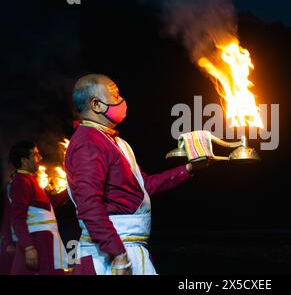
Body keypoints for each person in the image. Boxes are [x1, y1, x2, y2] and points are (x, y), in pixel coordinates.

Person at [65, 74, 202, 275]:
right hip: (108, 257)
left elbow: (143, 187)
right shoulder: (88, 142)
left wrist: (189, 169)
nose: (121, 100)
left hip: (129, 249)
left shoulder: (116, 142)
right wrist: (117, 254)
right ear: (96, 104)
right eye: (115, 94)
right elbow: (88, 205)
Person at [8, 141, 68, 275]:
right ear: (24, 160)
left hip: (45, 241)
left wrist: (70, 187)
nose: (40, 158)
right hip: (37, 241)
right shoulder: (21, 182)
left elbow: (48, 205)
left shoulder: (30, 180)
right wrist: (29, 247)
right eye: (35, 154)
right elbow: (17, 218)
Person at [0, 175, 16, 274]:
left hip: (21, 240)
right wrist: (8, 243)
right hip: (10, 243)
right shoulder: (7, 190)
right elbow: (5, 218)